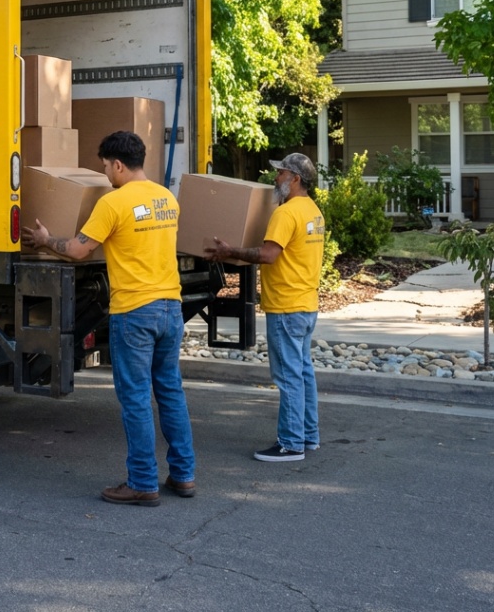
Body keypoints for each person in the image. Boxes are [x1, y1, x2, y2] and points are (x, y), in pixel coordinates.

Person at [21, 130, 195, 506]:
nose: (104, 174)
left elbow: (79, 250)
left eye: (104, 167)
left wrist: (46, 239)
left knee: (135, 398)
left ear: (117, 165)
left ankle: (143, 482)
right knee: (170, 392)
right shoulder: (167, 198)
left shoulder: (113, 203)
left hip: (134, 311)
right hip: (171, 307)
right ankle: (183, 476)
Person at [204, 153, 325, 462]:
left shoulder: (286, 213)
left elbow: (269, 255)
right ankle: (308, 436)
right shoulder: (313, 211)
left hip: (286, 305)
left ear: (295, 179)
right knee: (303, 372)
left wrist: (231, 251)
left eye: (281, 173)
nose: (276, 177)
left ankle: (291, 444)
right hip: (306, 304)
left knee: (288, 376)